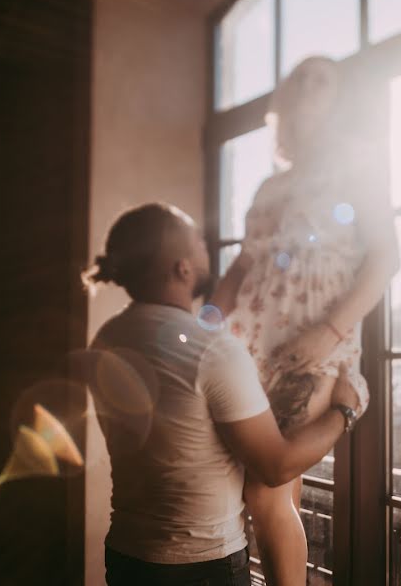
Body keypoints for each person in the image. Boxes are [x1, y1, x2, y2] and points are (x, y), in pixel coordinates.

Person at [82, 202, 363, 586]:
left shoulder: (108, 337)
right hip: (201, 568)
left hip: (127, 555)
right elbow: (276, 467)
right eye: (197, 241)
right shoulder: (212, 351)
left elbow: (184, 379)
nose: (206, 248)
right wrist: (344, 412)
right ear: (182, 267)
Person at [210, 57, 400, 585]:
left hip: (312, 342)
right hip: (246, 342)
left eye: (324, 80)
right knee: (266, 494)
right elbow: (242, 267)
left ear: (341, 99)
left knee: (265, 493)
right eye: (301, 79)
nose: (310, 88)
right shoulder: (270, 187)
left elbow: (386, 256)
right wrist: (200, 330)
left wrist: (332, 331)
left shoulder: (359, 162)